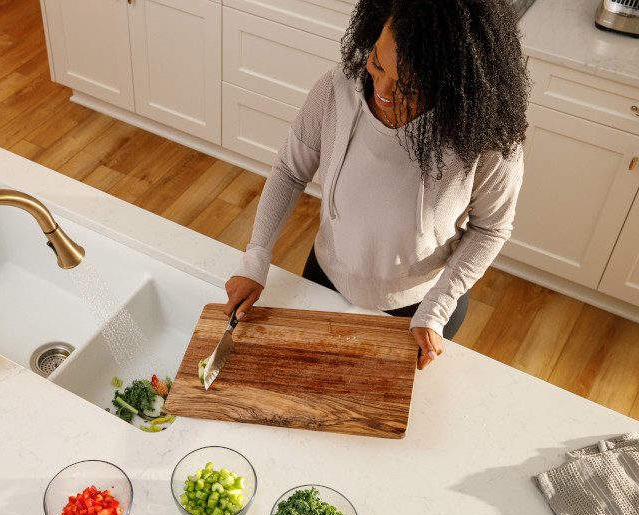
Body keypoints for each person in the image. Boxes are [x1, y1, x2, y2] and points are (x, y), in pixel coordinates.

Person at [224, 0, 529, 370]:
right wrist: (256, 256)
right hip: (325, 279)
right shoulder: (336, 90)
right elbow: (289, 170)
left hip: (420, 309)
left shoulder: (485, 140)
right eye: (377, 64)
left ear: (451, 83)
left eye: (407, 86)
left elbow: (491, 228)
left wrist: (438, 307)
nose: (382, 88)